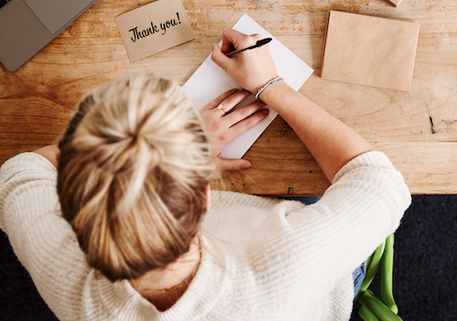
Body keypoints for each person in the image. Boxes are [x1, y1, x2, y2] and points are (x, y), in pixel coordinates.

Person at [0, 29, 411, 320]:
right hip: (315, 291)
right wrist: (270, 83)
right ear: (204, 196)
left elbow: (18, 175)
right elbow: (381, 183)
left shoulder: (67, 276)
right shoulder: (288, 263)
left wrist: (160, 150)